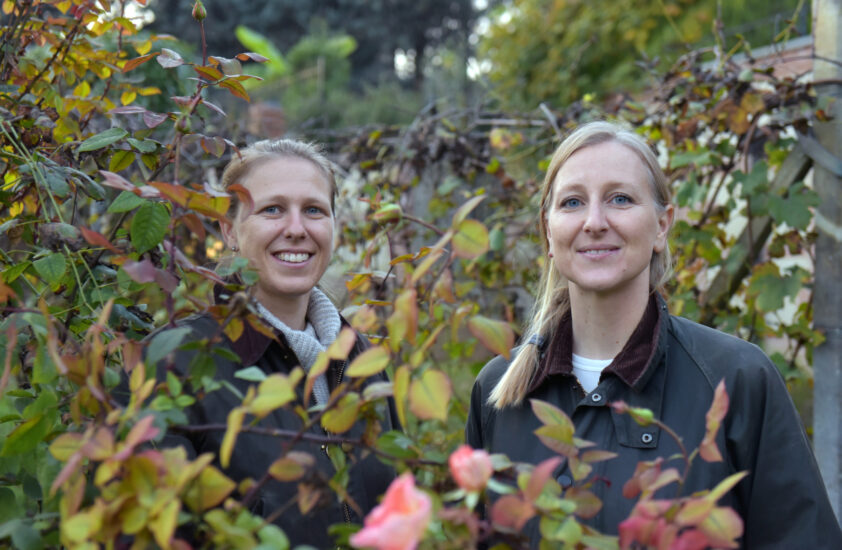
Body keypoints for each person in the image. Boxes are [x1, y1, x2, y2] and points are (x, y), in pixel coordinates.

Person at [465, 121, 842, 548]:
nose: (594, 222)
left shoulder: (737, 378)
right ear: (549, 232)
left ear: (662, 225)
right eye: (572, 202)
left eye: (620, 199)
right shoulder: (498, 393)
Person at [130, 139, 399, 547]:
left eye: (313, 210)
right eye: (272, 209)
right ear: (229, 230)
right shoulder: (174, 362)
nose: (296, 229)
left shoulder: (364, 361)